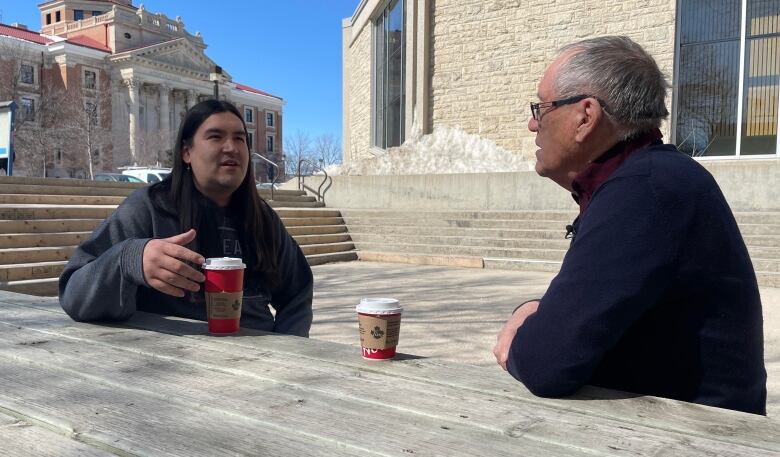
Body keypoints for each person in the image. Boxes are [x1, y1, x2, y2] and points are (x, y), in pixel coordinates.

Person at [493, 36, 767, 414]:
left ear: (585, 116)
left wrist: (522, 326)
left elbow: (546, 364)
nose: (531, 124)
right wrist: (538, 308)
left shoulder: (644, 191)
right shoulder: (654, 178)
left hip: (696, 437)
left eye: (541, 108)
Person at [60, 100, 313, 336]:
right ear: (186, 152)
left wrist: (288, 348)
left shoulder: (263, 219)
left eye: (240, 138)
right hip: (170, 367)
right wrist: (130, 259)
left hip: (263, 363)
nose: (232, 147)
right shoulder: (147, 209)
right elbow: (74, 296)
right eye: (216, 137)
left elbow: (298, 294)